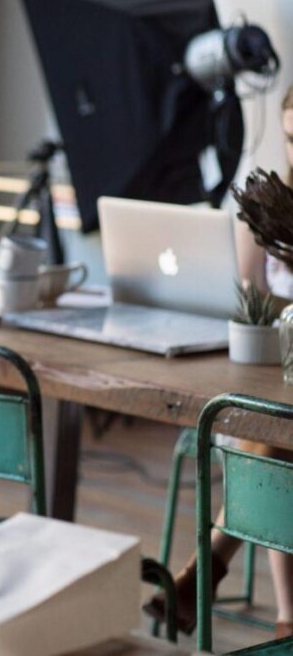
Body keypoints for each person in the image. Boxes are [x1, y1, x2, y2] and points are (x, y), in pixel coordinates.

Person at [145, 86, 293, 640]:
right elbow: (248, 299)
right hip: (271, 377)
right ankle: (284, 617)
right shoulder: (272, 206)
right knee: (270, 429)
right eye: (289, 139)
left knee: (273, 435)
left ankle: (205, 574)